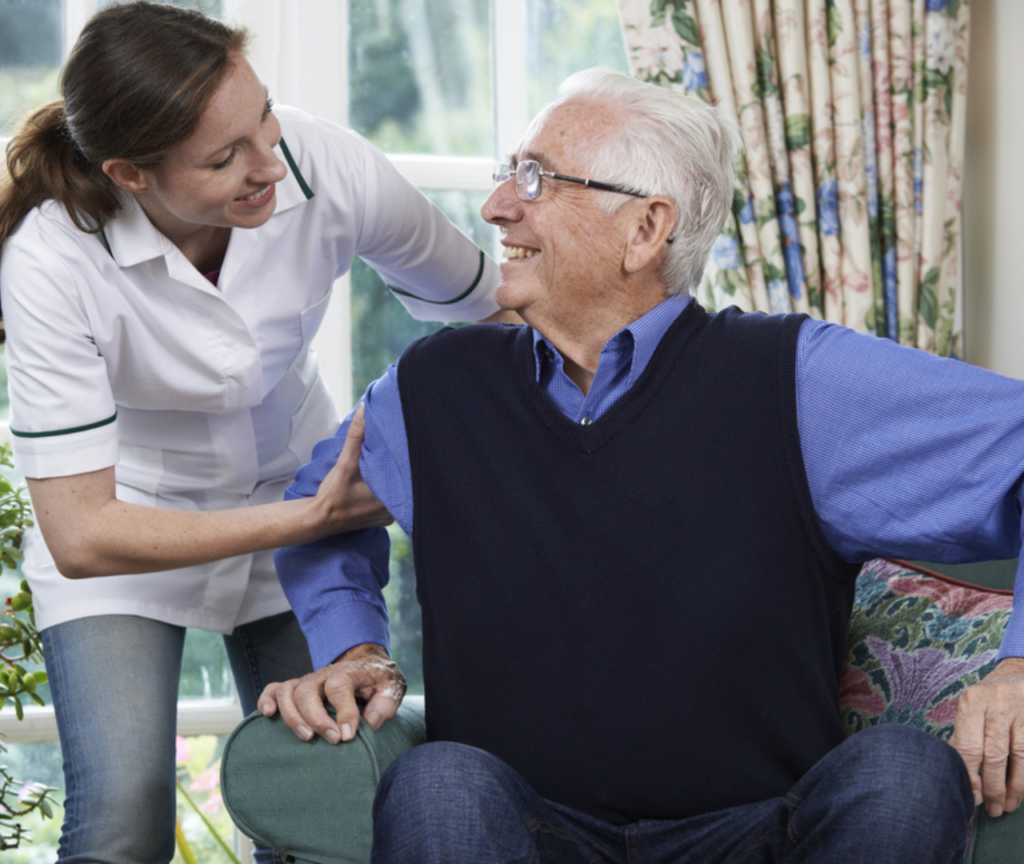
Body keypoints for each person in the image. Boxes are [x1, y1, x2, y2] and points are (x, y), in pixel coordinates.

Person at [260, 68, 1024, 862]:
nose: (495, 207)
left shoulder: (800, 380)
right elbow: (317, 511)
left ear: (646, 229)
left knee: (904, 771)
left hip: (765, 834)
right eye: (506, 174)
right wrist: (355, 648)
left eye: (536, 179)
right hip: (529, 833)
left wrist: (1018, 669)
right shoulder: (432, 387)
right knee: (438, 780)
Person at [0, 2, 502, 861]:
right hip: (130, 522)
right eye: (223, 158)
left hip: (294, 487)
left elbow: (493, 312)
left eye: (263, 118)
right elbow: (82, 536)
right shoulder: (53, 258)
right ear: (131, 173)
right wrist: (312, 518)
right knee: (123, 814)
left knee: (321, 798)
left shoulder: (323, 164)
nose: (270, 164)